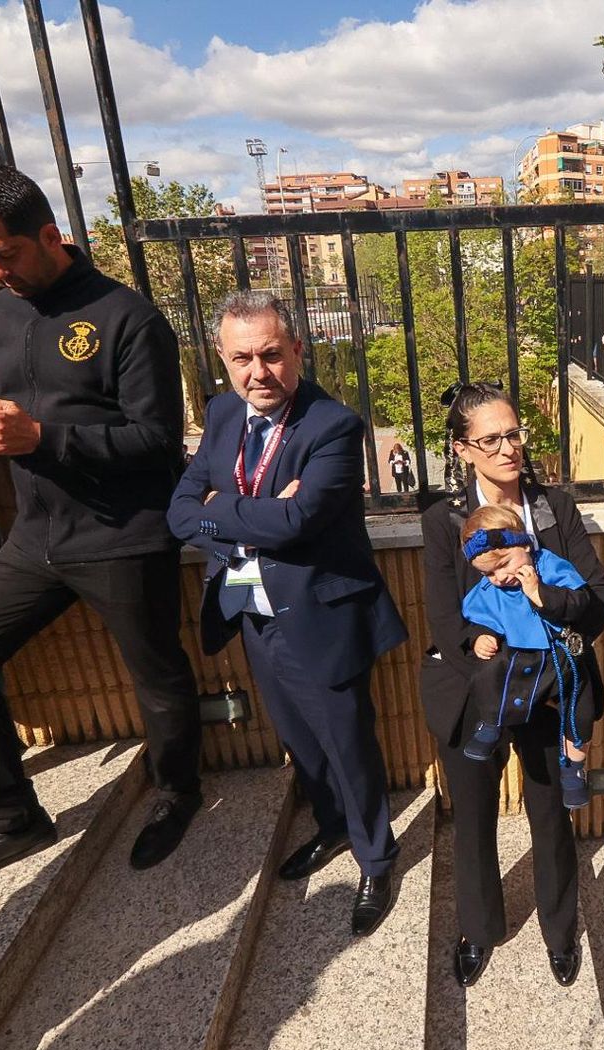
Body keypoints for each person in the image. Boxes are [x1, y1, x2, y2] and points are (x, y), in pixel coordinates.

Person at [0, 163, 203, 897]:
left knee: (159, 679)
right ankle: (13, 820)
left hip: (124, 534)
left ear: (49, 235)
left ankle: (177, 792)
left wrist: (42, 437)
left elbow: (156, 441)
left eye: (5, 253)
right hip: (34, 539)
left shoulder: (128, 317)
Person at [168, 290, 407, 936]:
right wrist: (256, 514)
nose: (259, 372)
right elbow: (180, 512)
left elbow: (299, 520)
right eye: (242, 358)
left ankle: (376, 858)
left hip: (321, 615)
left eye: (271, 354)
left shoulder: (333, 425)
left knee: (347, 743)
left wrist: (223, 508)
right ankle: (333, 826)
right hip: (252, 608)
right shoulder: (222, 412)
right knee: (299, 737)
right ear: (222, 358)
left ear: (297, 350)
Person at [420, 381, 604, 988]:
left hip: (549, 688)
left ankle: (560, 931)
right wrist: (495, 671)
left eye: (514, 434)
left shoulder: (554, 508)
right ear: (462, 449)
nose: (508, 449)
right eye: (491, 440)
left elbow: (598, 599)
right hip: (476, 686)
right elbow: (446, 619)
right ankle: (479, 929)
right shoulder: (444, 521)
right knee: (473, 814)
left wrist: (548, 614)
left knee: (551, 811)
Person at [457, 503, 595, 808]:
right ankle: (490, 724)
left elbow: (579, 602)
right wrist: (481, 636)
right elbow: (479, 617)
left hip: (560, 656)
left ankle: (573, 768)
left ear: (525, 545)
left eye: (504, 563)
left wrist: (539, 593)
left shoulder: (550, 567)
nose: (499, 577)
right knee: (489, 674)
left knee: (580, 708)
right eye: (488, 573)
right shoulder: (490, 589)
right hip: (519, 655)